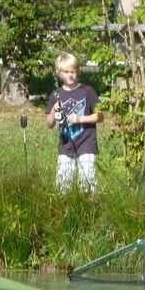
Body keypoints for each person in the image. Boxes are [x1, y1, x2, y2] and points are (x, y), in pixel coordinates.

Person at [45, 53, 103, 193]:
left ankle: (89, 203)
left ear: (77, 72)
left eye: (72, 71)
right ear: (60, 74)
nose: (70, 75)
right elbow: (49, 124)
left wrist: (80, 119)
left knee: (88, 182)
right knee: (62, 184)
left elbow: (100, 116)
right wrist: (53, 110)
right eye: (66, 72)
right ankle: (64, 206)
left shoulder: (87, 91)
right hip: (66, 144)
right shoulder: (56, 94)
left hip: (86, 143)